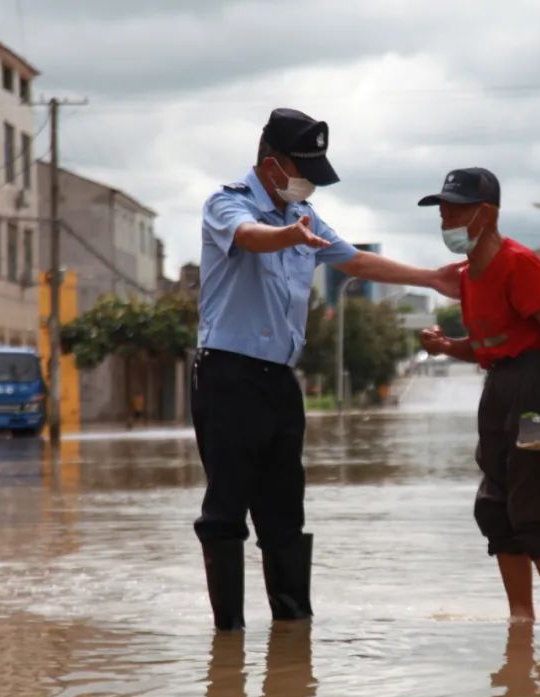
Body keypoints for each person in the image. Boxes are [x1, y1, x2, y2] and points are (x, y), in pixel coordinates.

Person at [193, 108, 461, 632]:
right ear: (272, 165)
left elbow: (356, 262)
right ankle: (228, 639)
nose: (311, 184)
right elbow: (248, 237)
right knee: (226, 509)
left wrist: (433, 278)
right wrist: (289, 236)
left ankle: (292, 635)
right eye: (305, 171)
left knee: (284, 510)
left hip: (279, 382)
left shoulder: (306, 218)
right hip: (227, 377)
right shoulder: (227, 203)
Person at [417, 167, 540, 621]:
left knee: (534, 514)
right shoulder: (471, 276)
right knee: (495, 510)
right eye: (442, 210)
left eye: (454, 209)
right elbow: (492, 346)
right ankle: (521, 621)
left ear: (485, 214)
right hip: (500, 388)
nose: (445, 218)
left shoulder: (518, 262)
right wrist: (448, 347)